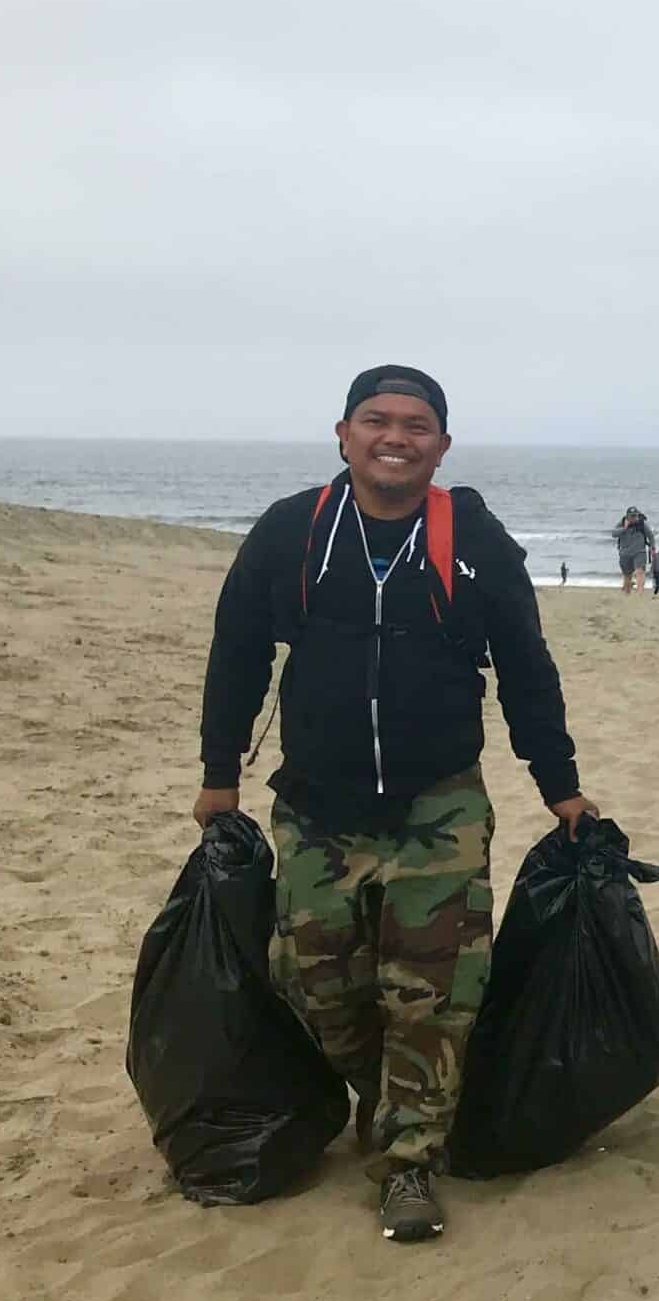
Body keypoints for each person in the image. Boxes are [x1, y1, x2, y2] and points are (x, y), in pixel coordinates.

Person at [194, 365, 597, 1245]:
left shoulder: (475, 541)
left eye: (417, 426)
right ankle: (388, 1100)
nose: (396, 438)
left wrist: (559, 786)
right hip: (314, 806)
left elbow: (527, 668)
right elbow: (237, 653)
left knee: (433, 993)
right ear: (342, 434)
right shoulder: (293, 532)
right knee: (319, 985)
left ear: (441, 447)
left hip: (439, 807)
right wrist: (217, 771)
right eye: (377, 421)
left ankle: (410, 1162)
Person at [612, 506, 656, 594]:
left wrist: (652, 548)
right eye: (631, 516)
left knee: (640, 572)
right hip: (625, 553)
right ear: (627, 516)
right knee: (627, 576)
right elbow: (614, 533)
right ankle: (627, 593)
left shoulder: (642, 524)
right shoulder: (622, 523)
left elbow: (650, 536)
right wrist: (624, 528)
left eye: (635, 516)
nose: (634, 518)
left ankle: (640, 593)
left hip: (639, 552)